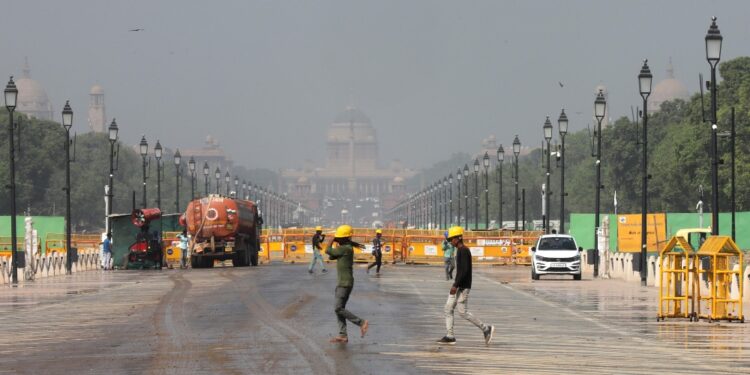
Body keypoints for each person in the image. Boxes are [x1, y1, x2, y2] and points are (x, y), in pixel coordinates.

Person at [437, 226, 494, 345]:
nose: (451, 241)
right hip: (458, 285)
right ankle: (450, 336)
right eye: (450, 239)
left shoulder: (464, 251)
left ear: (458, 238)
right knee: (448, 308)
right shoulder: (459, 250)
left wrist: (455, 285)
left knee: (462, 312)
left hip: (462, 287)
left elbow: (465, 270)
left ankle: (486, 328)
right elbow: (460, 271)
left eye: (452, 239)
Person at [326, 224, 368, 344]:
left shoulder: (345, 249)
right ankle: (343, 335)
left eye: (339, 237)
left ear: (343, 238)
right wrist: (335, 243)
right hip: (343, 282)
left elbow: (328, 251)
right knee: (339, 309)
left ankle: (361, 322)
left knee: (338, 308)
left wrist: (330, 241)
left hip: (344, 282)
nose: (337, 239)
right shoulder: (346, 248)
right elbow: (332, 256)